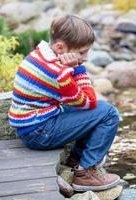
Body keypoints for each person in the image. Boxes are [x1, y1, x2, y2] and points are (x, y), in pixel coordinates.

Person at [8, 14, 120, 191]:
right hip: (40, 132)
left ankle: (76, 158)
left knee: (89, 111)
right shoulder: (57, 72)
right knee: (108, 113)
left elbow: (78, 102)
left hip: (33, 125)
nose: (86, 57)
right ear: (60, 47)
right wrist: (78, 69)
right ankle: (85, 173)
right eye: (82, 52)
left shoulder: (41, 54)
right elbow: (89, 102)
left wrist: (73, 65)